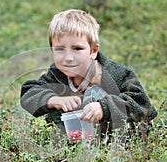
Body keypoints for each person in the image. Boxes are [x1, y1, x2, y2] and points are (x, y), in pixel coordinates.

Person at [20, 9, 157, 143]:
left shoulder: (114, 73)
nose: (68, 58)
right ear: (52, 51)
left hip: (120, 142)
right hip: (75, 141)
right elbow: (29, 93)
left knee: (95, 93)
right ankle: (71, 146)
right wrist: (54, 100)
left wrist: (104, 107)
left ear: (93, 51)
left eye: (77, 49)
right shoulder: (56, 75)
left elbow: (142, 104)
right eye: (60, 49)